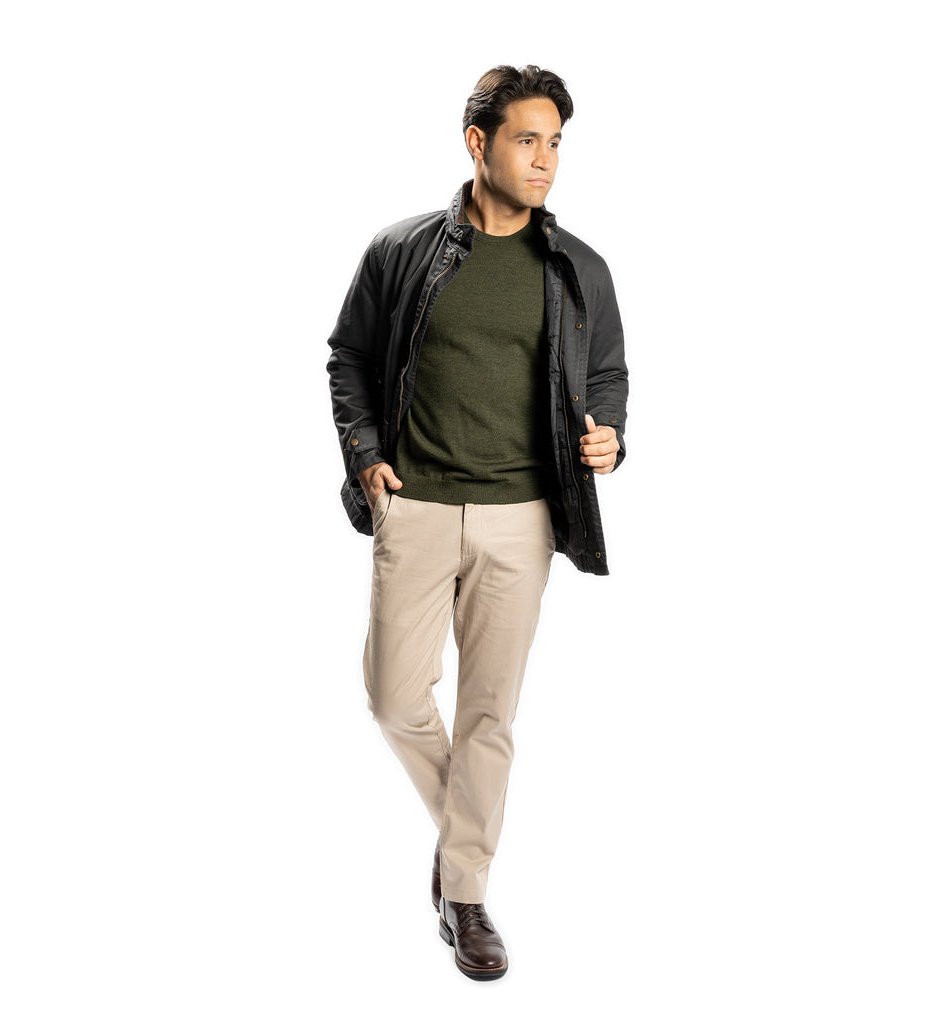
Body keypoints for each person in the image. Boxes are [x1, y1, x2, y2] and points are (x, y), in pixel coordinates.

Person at [326, 64, 629, 980]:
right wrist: (365, 453)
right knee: (392, 696)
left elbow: (606, 374)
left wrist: (611, 435)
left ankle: (464, 893)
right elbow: (348, 356)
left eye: (556, 143)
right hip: (414, 505)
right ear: (478, 144)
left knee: (489, 713)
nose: (546, 160)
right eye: (527, 140)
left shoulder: (578, 268)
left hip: (522, 519)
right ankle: (464, 836)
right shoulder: (401, 249)